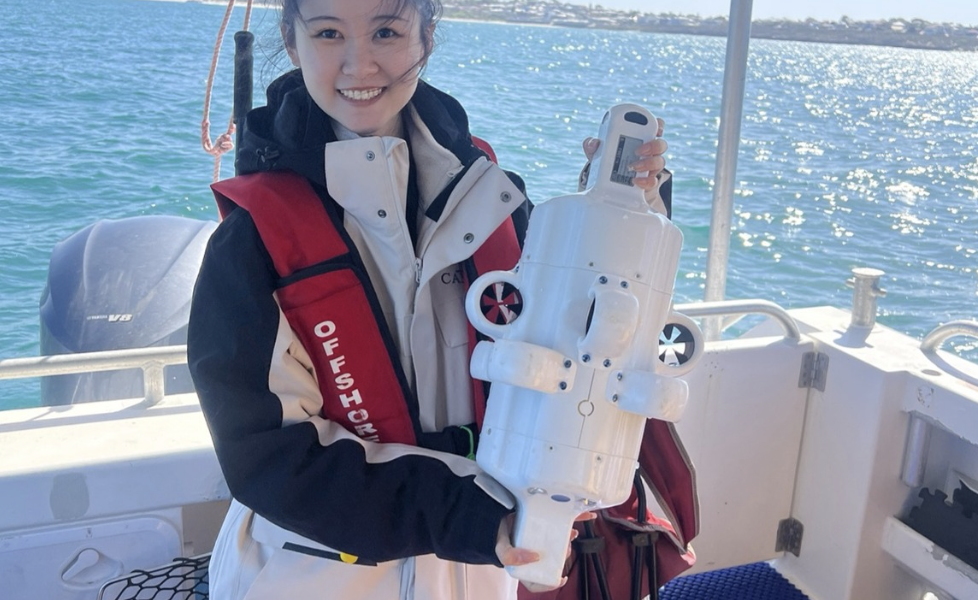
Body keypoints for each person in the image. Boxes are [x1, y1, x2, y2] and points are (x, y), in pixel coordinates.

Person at [187, 0, 670, 598]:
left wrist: (624, 221)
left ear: (426, 37)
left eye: (386, 32)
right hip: (310, 576)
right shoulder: (252, 238)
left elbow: (576, 336)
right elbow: (267, 455)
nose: (359, 64)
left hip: (477, 571)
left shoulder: (492, 194)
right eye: (329, 33)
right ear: (291, 41)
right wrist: (465, 518)